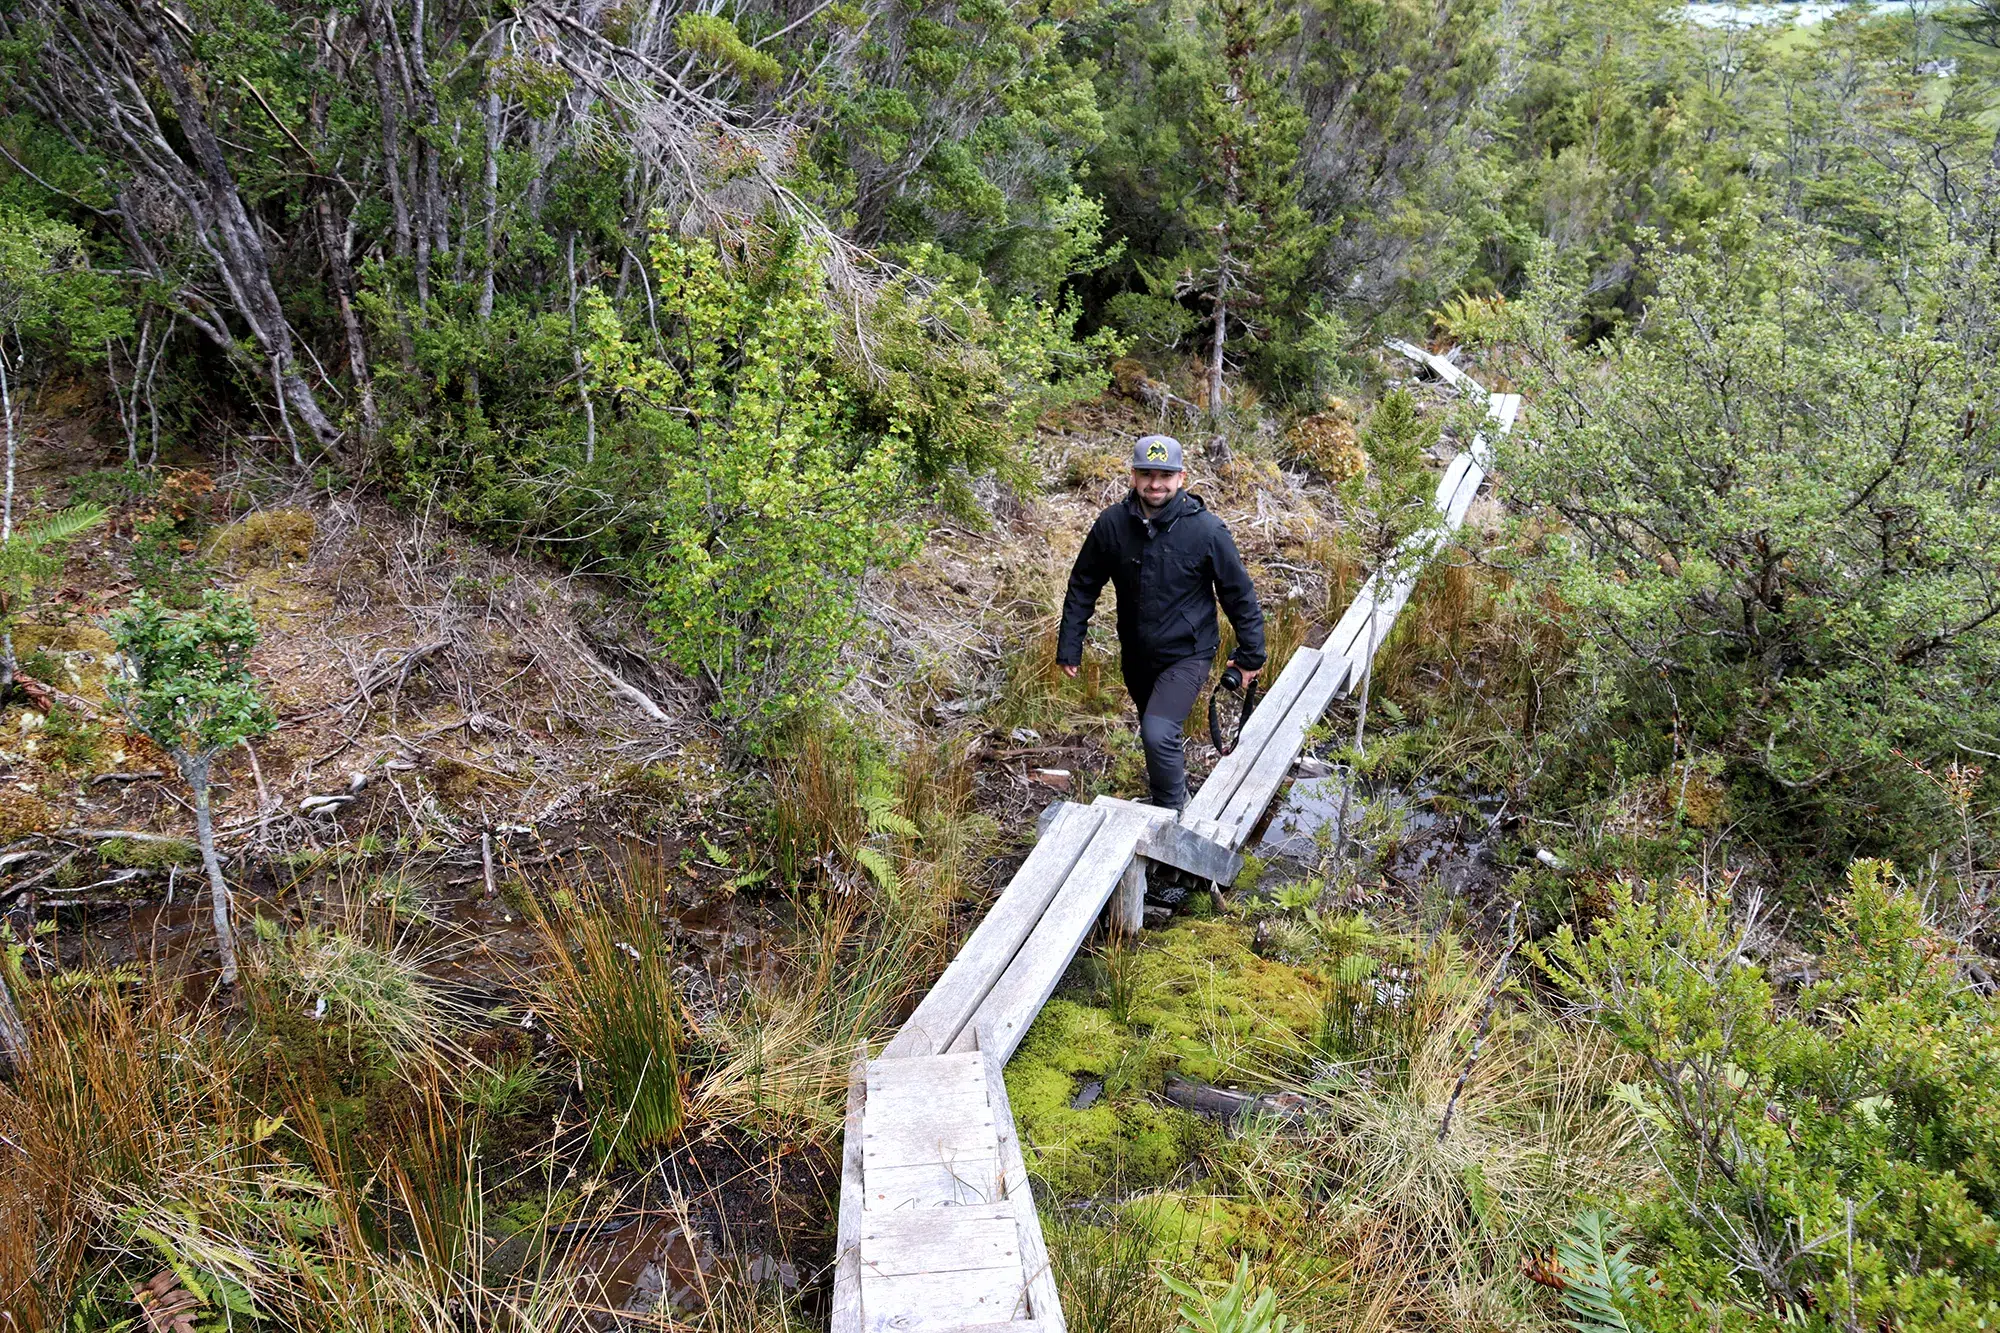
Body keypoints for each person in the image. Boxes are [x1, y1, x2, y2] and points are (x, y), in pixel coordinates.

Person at [1057, 434, 1265, 814]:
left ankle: (1174, 818)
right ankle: (1169, 794)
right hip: (1137, 653)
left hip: (1188, 652)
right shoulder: (1112, 525)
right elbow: (1084, 583)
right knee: (1156, 731)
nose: (1156, 483)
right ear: (1133, 476)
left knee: (1157, 732)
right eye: (1147, 474)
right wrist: (1071, 643)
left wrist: (1251, 654)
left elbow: (1238, 593)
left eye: (1165, 475)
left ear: (1181, 477)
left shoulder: (1206, 530)